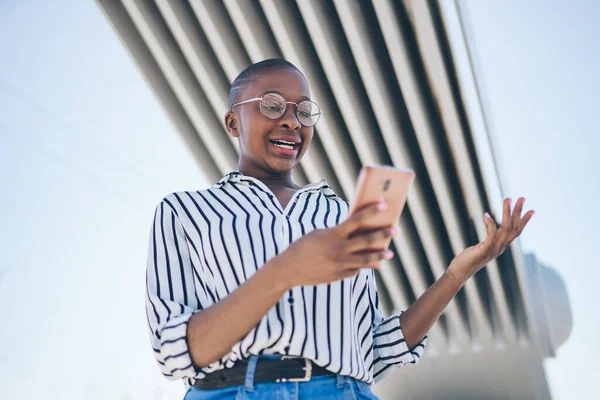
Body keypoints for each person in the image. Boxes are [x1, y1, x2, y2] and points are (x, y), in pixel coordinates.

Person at [145, 58, 534, 399]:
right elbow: (172, 349)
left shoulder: (343, 217)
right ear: (233, 122)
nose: (291, 120)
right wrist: (286, 271)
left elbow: (374, 352)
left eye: (303, 110)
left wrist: (456, 274)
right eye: (272, 105)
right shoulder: (184, 212)